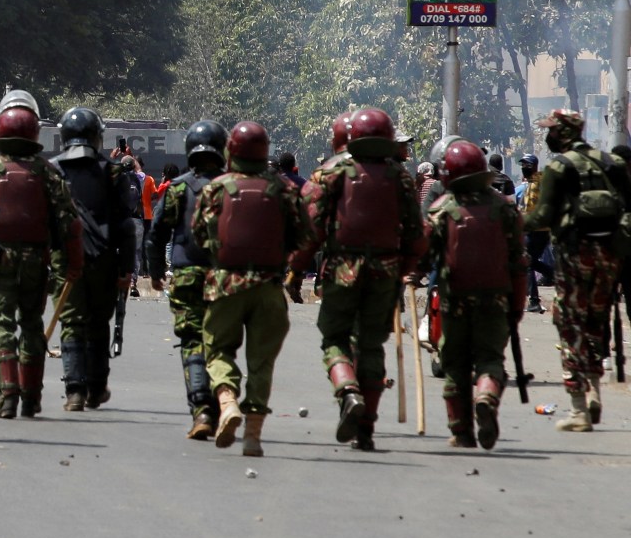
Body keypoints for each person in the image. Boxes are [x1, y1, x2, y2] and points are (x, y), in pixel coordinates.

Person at [292, 106, 423, 451]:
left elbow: (310, 231)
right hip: (386, 272)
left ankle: (348, 390)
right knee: (370, 345)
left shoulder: (329, 174)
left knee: (334, 338)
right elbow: (416, 233)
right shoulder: (402, 177)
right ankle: (366, 429)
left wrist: (294, 269)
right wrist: (408, 268)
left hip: (341, 270)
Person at [192, 121, 311, 457]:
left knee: (217, 350)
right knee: (262, 362)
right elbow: (303, 236)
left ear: (231, 150)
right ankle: (253, 436)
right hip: (269, 287)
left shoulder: (216, 189)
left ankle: (227, 401)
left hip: (225, 284)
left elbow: (199, 235)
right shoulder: (284, 190)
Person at [521, 107, 630, 430]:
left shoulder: (559, 166)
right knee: (597, 323)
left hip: (574, 257)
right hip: (610, 257)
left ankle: (579, 407)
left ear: (564, 133)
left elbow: (541, 217)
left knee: (570, 326)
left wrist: (511, 223)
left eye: (552, 130)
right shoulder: (611, 163)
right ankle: (595, 389)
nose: (548, 136)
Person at [0, 91, 82, 420]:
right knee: (33, 325)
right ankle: (31, 397)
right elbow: (69, 223)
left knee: (2, 325)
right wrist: (74, 262)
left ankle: (8, 394)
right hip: (37, 261)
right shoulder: (48, 172)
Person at [420, 139, 528, 451]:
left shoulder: (442, 210)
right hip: (496, 299)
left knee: (454, 364)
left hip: (454, 301)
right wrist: (517, 306)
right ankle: (486, 396)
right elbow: (519, 263)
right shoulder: (505, 208)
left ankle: (461, 432)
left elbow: (425, 254)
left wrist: (413, 271)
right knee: (490, 359)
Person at [52, 108, 137, 412]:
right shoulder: (114, 172)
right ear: (97, 137)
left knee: (72, 323)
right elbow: (126, 226)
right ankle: (96, 388)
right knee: (99, 323)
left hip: (64, 259)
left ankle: (74, 391)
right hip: (104, 259)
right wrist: (127, 269)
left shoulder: (52, 170)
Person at [150, 121, 229, 439]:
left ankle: (202, 411)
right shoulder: (232, 187)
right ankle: (222, 402)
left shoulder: (178, 188)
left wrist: (155, 272)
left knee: (192, 341)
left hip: (186, 277)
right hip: (226, 279)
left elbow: (157, 234)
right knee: (221, 343)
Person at [519, 152, 548, 312]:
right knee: (532, 261)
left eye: (527, 165)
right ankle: (557, 275)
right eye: (523, 165)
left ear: (534, 166)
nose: (524, 168)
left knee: (527, 262)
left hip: (535, 229)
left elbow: (529, 210)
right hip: (541, 229)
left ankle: (534, 301)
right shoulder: (535, 181)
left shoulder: (535, 184)